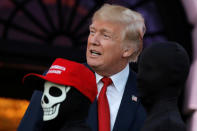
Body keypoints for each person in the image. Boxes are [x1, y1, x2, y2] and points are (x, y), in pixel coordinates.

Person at [18, 3, 146, 131]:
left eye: (105, 35)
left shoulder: (149, 92)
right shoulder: (56, 79)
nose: (93, 41)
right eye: (92, 32)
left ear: (127, 49)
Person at [137, 41, 190, 131]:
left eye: (148, 69)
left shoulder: (168, 125)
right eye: (140, 69)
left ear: (172, 76)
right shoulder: (157, 120)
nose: (139, 77)